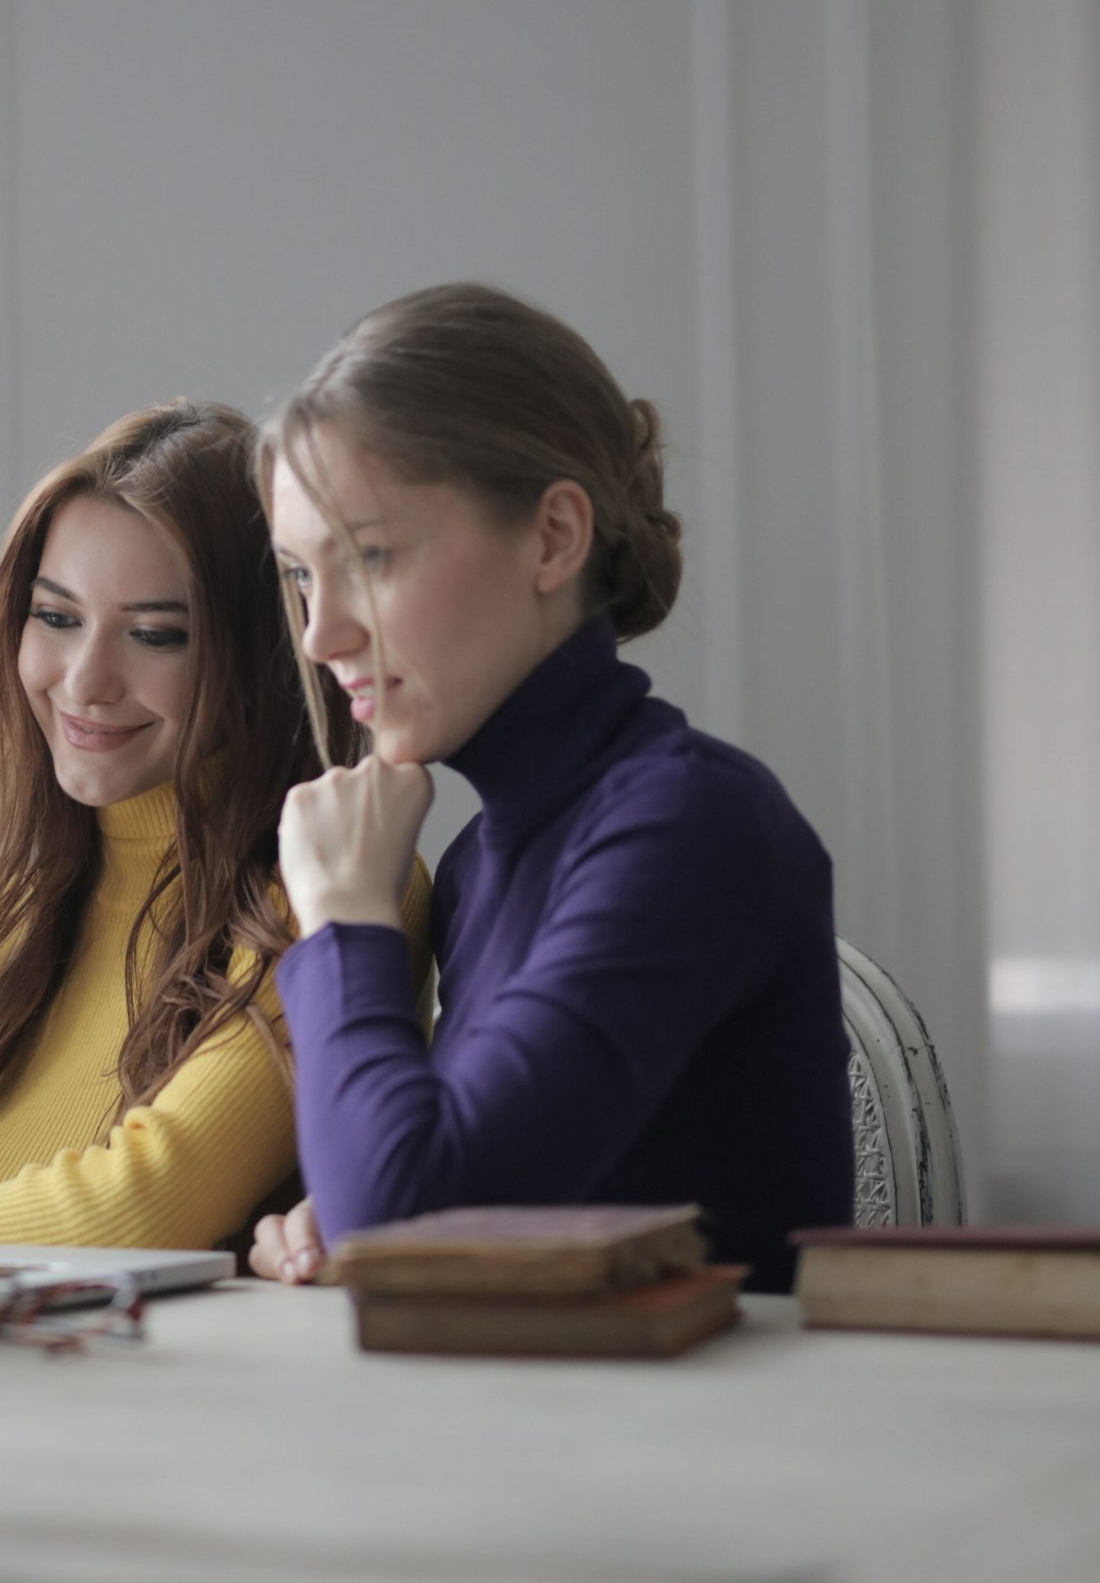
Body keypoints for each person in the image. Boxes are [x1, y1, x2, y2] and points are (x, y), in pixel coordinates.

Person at [250, 284, 851, 1293]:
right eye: (300, 575)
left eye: (368, 556)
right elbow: (438, 1193)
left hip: (709, 1442)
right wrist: (340, 1198)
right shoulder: (479, 861)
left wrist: (346, 919)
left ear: (553, 537)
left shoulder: (688, 825)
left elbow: (407, 1216)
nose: (320, 635)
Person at [0, 401, 429, 1251]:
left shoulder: (327, 886)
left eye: (156, 635)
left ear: (260, 658)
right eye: (57, 618)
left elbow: (141, 1207)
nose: (85, 681)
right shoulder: (18, 903)